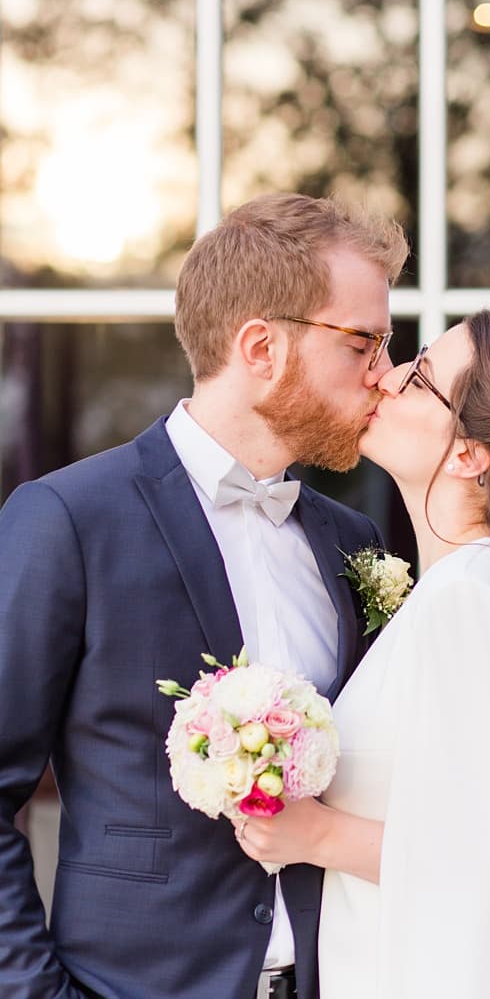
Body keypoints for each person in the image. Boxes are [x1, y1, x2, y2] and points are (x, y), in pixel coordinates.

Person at [0, 193, 406, 998]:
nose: (384, 375)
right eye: (363, 342)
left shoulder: (352, 545)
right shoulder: (69, 521)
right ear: (261, 345)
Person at [234, 311, 490, 999]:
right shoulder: (489, 585)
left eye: (419, 378)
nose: (387, 379)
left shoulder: (470, 600)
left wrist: (316, 836)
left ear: (469, 454)